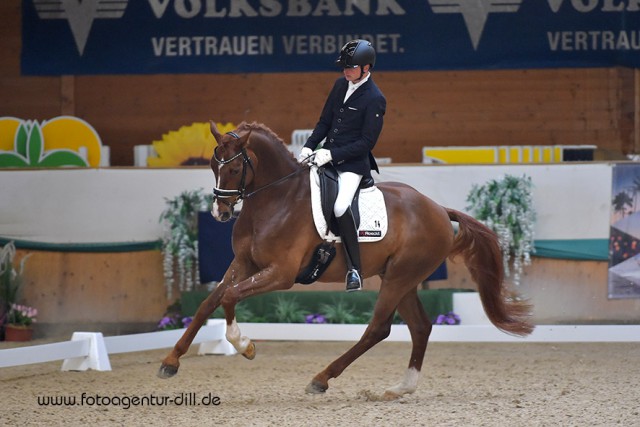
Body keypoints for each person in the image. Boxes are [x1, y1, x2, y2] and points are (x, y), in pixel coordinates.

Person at [298, 39, 386, 292]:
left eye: (351, 67)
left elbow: (366, 142)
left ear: (366, 68)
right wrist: (309, 145)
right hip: (325, 155)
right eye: (344, 67)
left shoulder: (375, 98)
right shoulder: (340, 85)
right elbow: (325, 121)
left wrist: (331, 155)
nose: (346, 72)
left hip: (352, 165)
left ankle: (354, 269)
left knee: (340, 206)